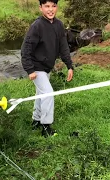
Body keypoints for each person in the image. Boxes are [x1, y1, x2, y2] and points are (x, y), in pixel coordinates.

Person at [21, 0, 74, 137]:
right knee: (48, 93)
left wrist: (69, 65)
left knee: (41, 94)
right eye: (47, 6)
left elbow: (63, 47)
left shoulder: (59, 25)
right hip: (36, 67)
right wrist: (30, 70)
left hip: (47, 67)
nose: (50, 10)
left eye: (54, 6)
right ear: (41, 8)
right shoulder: (37, 26)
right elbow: (26, 49)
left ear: (57, 7)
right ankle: (46, 127)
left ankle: (36, 120)